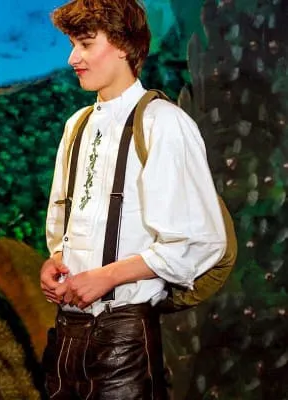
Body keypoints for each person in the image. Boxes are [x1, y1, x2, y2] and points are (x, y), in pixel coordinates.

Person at [40, 1, 227, 398]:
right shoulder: (77, 125)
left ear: (124, 46)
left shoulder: (164, 122)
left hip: (123, 343)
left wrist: (108, 276)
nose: (73, 58)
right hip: (66, 339)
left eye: (86, 44)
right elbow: (63, 220)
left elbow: (200, 241)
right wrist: (56, 260)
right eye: (73, 45)